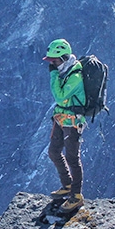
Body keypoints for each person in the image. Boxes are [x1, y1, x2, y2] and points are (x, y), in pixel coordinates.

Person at [43, 38, 86, 211]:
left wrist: (53, 74)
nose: (52, 63)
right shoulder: (65, 74)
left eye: (55, 60)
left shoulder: (75, 76)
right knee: (54, 152)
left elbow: (59, 96)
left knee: (72, 157)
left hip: (73, 122)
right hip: (61, 119)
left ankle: (76, 195)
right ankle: (67, 184)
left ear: (65, 58)